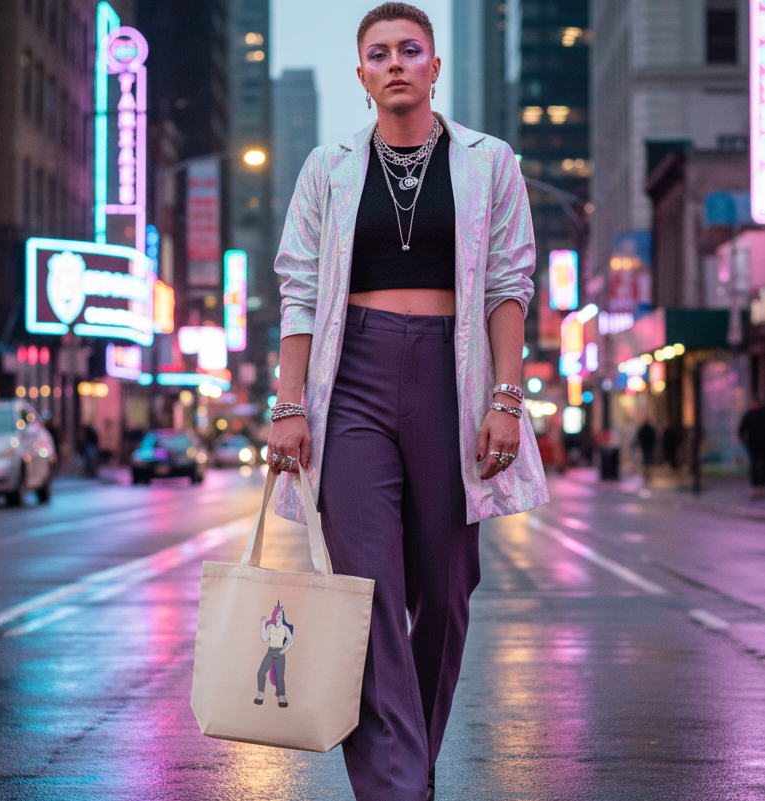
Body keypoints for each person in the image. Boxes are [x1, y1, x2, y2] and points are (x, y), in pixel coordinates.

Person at [266, 4, 548, 799]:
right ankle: (395, 783)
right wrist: (289, 404)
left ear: (433, 67)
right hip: (351, 378)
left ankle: (409, 758)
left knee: (447, 588)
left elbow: (507, 282)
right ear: (361, 75)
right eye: (378, 53)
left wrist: (505, 397)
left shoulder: (489, 162)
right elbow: (297, 289)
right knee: (366, 591)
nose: (394, 62)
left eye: (409, 50)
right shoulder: (327, 167)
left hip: (450, 377)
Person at [255, 603, 294, 708]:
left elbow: (291, 640)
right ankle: (261, 693)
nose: (279, 615)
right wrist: (263, 624)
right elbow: (265, 639)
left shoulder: (285, 628)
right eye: (277, 613)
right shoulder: (270, 626)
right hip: (270, 652)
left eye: (280, 614)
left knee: (280, 676)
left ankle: (282, 696)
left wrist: (284, 651)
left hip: (280, 653)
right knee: (261, 673)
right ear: (274, 614)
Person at [738, 397, 765, 499]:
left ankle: (761, 486)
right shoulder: (748, 415)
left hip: (762, 445)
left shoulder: (762, 414)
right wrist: (746, 442)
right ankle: (756, 487)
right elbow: (741, 429)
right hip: (753, 446)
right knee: (755, 467)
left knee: (761, 466)